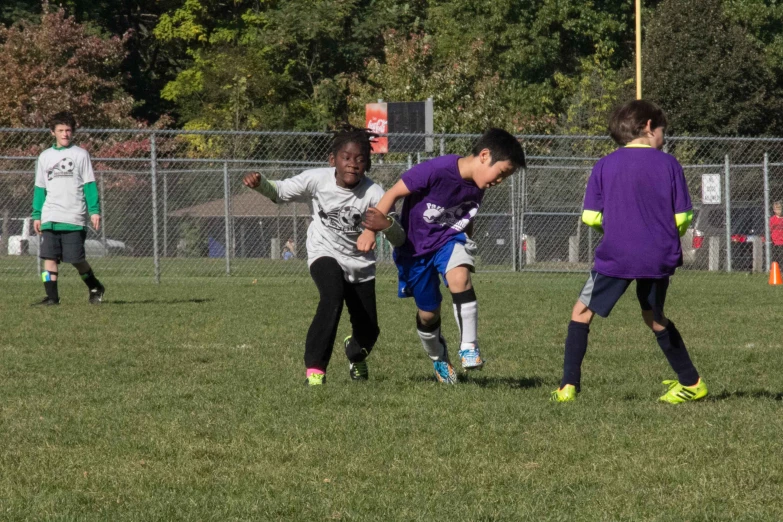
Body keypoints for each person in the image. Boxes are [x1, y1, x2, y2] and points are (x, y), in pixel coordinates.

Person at [551, 100, 707, 404]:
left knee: (581, 313)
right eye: (663, 130)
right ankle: (691, 382)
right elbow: (683, 218)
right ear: (649, 126)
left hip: (617, 255)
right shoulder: (670, 164)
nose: (664, 136)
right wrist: (659, 236)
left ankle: (568, 386)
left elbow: (591, 217)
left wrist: (619, 232)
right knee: (654, 317)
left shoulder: (604, 165)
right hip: (658, 256)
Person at [243, 124, 405, 386]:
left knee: (369, 331)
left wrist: (385, 225)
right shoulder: (317, 179)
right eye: (346, 158)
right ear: (333, 160)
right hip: (323, 252)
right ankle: (316, 370)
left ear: (368, 166)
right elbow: (281, 192)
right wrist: (261, 184)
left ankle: (354, 353)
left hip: (360, 266)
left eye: (360, 159)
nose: (352, 164)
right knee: (332, 296)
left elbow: (400, 237)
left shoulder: (376, 194)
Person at [361, 128, 525, 384]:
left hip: (448, 241)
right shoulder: (436, 170)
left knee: (460, 277)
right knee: (428, 314)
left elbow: (466, 216)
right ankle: (438, 357)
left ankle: (469, 346)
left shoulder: (479, 185)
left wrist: (466, 242)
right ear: (484, 155)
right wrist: (371, 231)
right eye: (502, 173)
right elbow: (392, 194)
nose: (500, 181)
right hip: (414, 250)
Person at [31, 111, 105, 306]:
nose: (65, 134)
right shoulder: (45, 157)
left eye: (68, 130)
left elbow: (89, 184)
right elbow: (40, 188)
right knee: (49, 258)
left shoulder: (81, 154)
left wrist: (94, 210)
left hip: (74, 217)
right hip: (50, 216)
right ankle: (52, 297)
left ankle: (95, 286)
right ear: (52, 132)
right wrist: (37, 214)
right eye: (61, 130)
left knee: (76, 260)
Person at [770, 200, 783, 264]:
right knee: (775, 258)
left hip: (782, 242)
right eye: (777, 209)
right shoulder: (772, 219)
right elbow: (769, 230)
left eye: (780, 209)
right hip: (775, 242)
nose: (779, 211)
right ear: (774, 210)